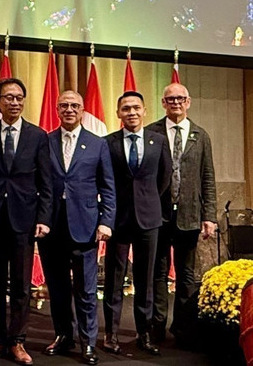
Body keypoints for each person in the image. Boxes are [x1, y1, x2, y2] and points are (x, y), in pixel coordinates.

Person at [0, 78, 52, 365]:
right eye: (8, 98)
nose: (15, 102)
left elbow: (46, 182)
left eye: (19, 97)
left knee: (21, 285)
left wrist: (44, 218)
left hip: (25, 219)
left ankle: (18, 341)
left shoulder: (37, 135)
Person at [38, 90, 115, 366]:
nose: (69, 110)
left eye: (74, 106)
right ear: (57, 111)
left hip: (85, 227)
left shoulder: (97, 144)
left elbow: (108, 187)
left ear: (82, 110)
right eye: (64, 106)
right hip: (51, 229)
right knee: (57, 289)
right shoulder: (44, 142)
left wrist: (106, 221)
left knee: (86, 290)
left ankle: (88, 343)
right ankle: (63, 336)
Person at [103, 91, 171, 356]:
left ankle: (145, 333)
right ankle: (111, 334)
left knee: (146, 280)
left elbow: (165, 178)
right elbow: (104, 180)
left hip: (149, 218)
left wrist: (149, 201)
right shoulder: (107, 143)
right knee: (114, 280)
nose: (131, 112)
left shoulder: (158, 141)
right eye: (125, 108)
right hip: (118, 219)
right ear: (118, 113)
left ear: (144, 111)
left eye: (136, 108)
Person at [147, 83, 216, 344]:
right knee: (159, 273)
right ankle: (156, 328)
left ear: (188, 102)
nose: (176, 103)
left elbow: (207, 177)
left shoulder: (201, 135)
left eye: (180, 99)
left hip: (189, 215)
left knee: (186, 275)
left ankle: (184, 329)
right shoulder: (151, 132)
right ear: (163, 103)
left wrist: (209, 216)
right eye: (170, 99)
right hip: (158, 215)